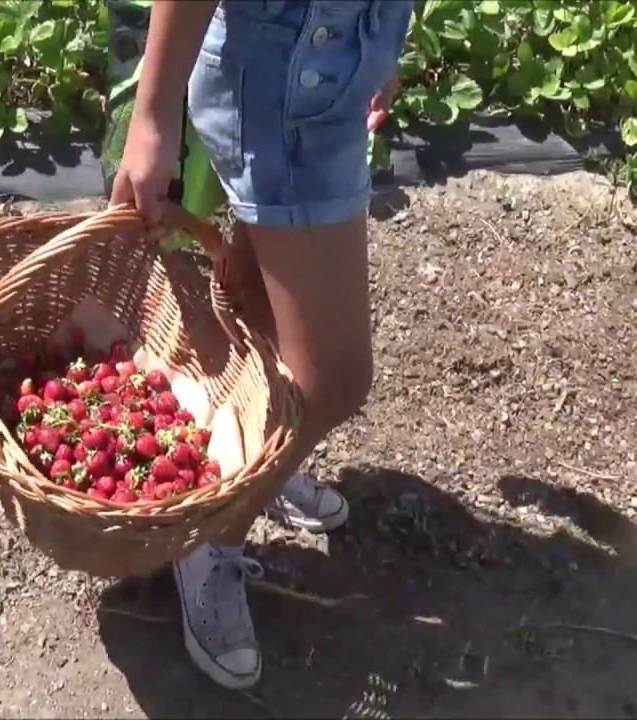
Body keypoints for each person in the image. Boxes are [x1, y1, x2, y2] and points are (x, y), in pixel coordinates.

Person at [108, 0, 414, 691]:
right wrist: (152, 115)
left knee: (264, 305)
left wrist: (380, 40)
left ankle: (255, 460)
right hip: (285, 79)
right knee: (336, 379)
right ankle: (208, 534)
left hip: (331, 55)